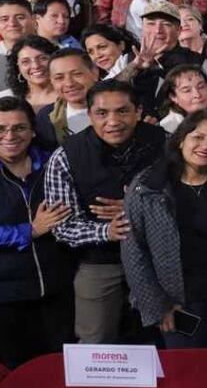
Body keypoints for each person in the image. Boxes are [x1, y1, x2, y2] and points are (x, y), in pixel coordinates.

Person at [122, 110, 207, 348]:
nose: (205, 146)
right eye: (197, 137)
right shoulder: (148, 186)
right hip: (176, 302)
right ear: (180, 140)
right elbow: (133, 252)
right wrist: (159, 307)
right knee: (187, 374)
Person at [44, 80, 166, 344]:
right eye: (102, 113)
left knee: (170, 335)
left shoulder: (164, 143)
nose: (113, 121)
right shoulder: (65, 156)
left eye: (122, 111)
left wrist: (137, 208)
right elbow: (63, 227)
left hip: (158, 256)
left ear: (138, 111)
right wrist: (107, 231)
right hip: (101, 260)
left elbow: (188, 199)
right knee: (94, 342)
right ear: (89, 115)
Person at [0, 98, 73, 368]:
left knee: (63, 368)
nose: (10, 136)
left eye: (19, 128)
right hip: (0, 294)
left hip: (56, 287)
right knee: (20, 371)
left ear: (33, 130)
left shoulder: (53, 161)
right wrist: (32, 230)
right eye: (0, 129)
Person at [157, 64, 207, 134]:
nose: (197, 95)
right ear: (173, 97)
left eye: (201, 87)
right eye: (187, 91)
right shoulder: (166, 129)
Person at [0, 36, 57, 113]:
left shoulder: (70, 95)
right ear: (17, 67)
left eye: (42, 58)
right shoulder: (3, 98)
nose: (36, 66)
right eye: (25, 61)